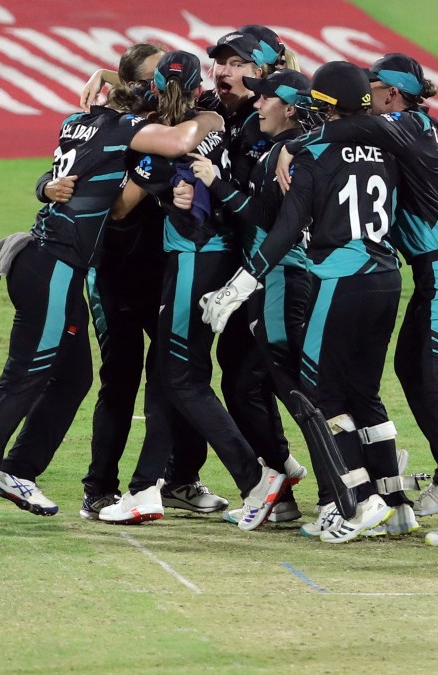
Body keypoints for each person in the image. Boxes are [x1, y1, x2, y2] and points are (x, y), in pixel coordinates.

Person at [0, 50, 225, 528]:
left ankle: (17, 470)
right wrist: (213, 115)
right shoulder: (124, 131)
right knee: (23, 380)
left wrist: (103, 77)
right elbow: (181, 140)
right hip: (54, 267)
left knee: (73, 378)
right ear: (141, 102)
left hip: (47, 261)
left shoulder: (77, 119)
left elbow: (74, 170)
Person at [279, 54, 438, 547]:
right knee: (412, 368)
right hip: (437, 266)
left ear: (392, 94)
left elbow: (340, 132)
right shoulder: (404, 126)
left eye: (372, 87)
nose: (364, 95)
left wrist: (291, 145)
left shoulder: (405, 124)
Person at [201, 61, 409, 543]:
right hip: (386, 277)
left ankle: (355, 503)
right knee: (364, 395)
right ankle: (396, 504)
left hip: (338, 280)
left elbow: (284, 230)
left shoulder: (311, 154)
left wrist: (240, 284)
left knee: (321, 394)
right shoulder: (390, 145)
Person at [97, 50, 287, 530]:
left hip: (191, 260)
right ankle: (145, 489)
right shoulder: (215, 120)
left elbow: (120, 208)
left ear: (156, 90)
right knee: (170, 374)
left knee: (181, 378)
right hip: (223, 255)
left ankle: (255, 480)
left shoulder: (161, 144)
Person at [35, 44, 223, 520]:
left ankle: (179, 479)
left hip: (164, 271)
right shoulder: (120, 123)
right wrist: (44, 186)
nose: (165, 83)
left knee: (176, 378)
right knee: (119, 382)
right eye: (155, 77)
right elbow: (72, 176)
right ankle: (98, 487)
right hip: (114, 272)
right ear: (138, 87)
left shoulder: (177, 114)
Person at [186, 68, 320, 525]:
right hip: (274, 278)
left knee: (297, 388)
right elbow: (263, 212)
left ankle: (351, 492)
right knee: (247, 382)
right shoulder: (276, 143)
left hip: (287, 276)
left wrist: (215, 182)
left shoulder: (295, 150)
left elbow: (270, 221)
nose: (259, 104)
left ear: (290, 107)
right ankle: (284, 483)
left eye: (267, 98)